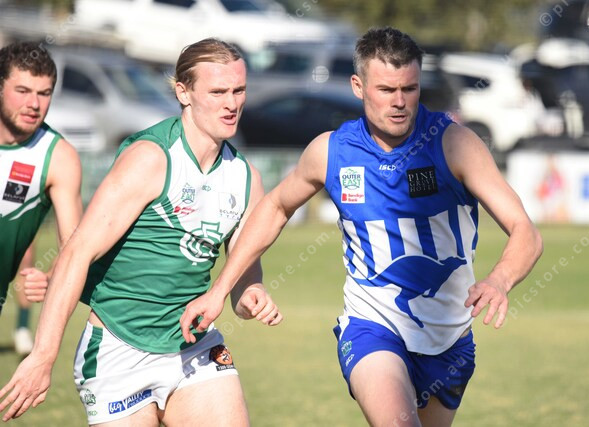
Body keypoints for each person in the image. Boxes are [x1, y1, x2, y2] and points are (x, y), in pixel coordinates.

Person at [178, 27, 543, 426]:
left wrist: (500, 280)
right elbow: (275, 208)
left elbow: (524, 230)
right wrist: (221, 290)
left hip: (450, 341)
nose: (400, 102)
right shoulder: (331, 151)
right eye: (386, 90)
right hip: (372, 328)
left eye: (410, 88)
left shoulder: (454, 144)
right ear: (358, 86)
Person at [0, 38, 281, 425]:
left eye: (239, 90)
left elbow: (244, 272)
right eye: (218, 92)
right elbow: (77, 251)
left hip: (194, 349)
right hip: (119, 350)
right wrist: (43, 356)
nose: (231, 103)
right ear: (183, 92)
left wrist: (251, 295)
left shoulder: (246, 178)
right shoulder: (150, 159)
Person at [0, 41, 82, 348]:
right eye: (22, 91)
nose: (33, 103)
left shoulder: (58, 157)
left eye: (44, 93)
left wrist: (50, 278)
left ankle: (22, 328)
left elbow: (75, 248)